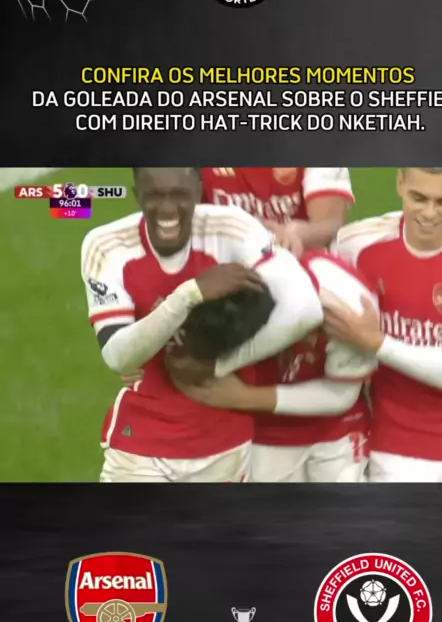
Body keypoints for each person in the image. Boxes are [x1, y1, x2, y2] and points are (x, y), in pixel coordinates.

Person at [80, 167, 323, 483]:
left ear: (198, 191)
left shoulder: (231, 228)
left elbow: (306, 309)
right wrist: (190, 294)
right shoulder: (105, 245)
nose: (167, 209)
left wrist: (218, 365)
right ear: (137, 194)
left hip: (224, 441)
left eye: (179, 195)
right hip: (141, 440)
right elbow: (118, 357)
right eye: (155, 195)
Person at [323, 167, 442, 482]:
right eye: (418, 198)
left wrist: (376, 343)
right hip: (394, 444)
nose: (429, 213)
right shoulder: (355, 242)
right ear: (400, 183)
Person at [167, 251, 379, 482]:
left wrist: (241, 396)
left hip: (337, 433)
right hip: (267, 434)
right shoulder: (238, 280)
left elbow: (341, 396)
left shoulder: (351, 311)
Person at [201, 167, 354, 256]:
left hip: (295, 261)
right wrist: (256, 231)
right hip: (222, 255)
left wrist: (298, 234)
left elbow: (329, 223)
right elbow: (192, 217)